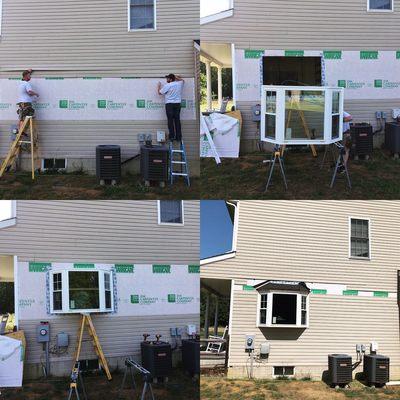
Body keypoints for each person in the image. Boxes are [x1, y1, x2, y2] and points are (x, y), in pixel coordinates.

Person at [157, 74, 184, 141]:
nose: (166, 80)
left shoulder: (167, 85)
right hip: (177, 104)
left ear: (171, 79)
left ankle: (172, 136)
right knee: (177, 120)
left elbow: (160, 93)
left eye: (168, 78)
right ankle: (178, 137)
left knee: (170, 120)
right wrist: (176, 76)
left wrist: (159, 86)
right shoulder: (179, 84)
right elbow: (183, 80)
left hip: (169, 105)